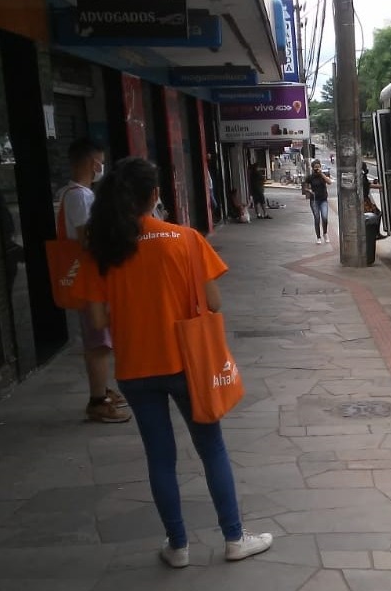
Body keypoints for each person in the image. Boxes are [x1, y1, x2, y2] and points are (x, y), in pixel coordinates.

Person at [78, 157, 272, 568]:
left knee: (160, 456)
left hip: (134, 368)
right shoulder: (185, 238)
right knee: (211, 448)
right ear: (155, 196)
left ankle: (178, 546)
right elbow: (213, 302)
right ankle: (234, 538)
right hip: (188, 364)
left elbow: (96, 320)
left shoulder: (104, 248)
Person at [60, 137, 131, 423]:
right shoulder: (79, 196)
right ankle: (97, 400)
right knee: (99, 342)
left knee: (99, 340)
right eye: (100, 160)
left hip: (92, 278)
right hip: (90, 279)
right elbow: (86, 240)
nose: (101, 166)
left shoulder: (78, 194)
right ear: (93, 162)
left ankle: (102, 390)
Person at [303, 160, 332, 244]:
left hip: (323, 199)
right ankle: (318, 237)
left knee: (325, 217)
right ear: (312, 168)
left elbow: (329, 182)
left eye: (318, 167)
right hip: (314, 200)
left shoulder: (323, 176)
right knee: (317, 218)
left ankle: (325, 233)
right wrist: (309, 190)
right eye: (315, 167)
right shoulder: (310, 177)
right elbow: (305, 187)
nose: (317, 169)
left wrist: (321, 174)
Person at [361, 162, 387, 239]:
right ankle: (375, 233)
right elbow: (368, 185)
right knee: (376, 214)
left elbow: (369, 183)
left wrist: (374, 182)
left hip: (365, 199)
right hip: (364, 201)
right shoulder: (361, 176)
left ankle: (375, 233)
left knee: (376, 214)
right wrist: (381, 186)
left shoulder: (362, 176)